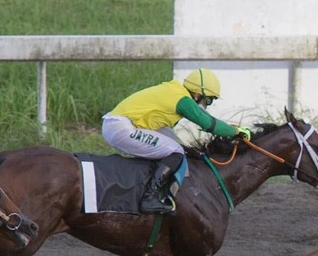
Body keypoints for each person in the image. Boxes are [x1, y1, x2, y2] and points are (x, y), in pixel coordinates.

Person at [101, 68, 252, 214]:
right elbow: (210, 124)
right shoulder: (183, 101)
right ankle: (149, 197)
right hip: (121, 127)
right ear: (197, 94)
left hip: (120, 124)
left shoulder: (176, 91)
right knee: (176, 152)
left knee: (173, 141)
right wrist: (236, 131)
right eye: (209, 100)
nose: (207, 104)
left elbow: (206, 120)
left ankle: (170, 189)